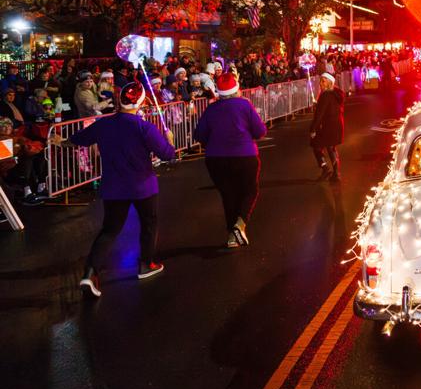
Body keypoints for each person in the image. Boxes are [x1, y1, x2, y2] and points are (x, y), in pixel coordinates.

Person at [56, 82, 177, 298]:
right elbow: (168, 154)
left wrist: (62, 141)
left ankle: (90, 273)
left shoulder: (104, 124)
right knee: (149, 224)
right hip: (143, 186)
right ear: (139, 104)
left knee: (109, 230)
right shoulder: (144, 127)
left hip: (114, 187)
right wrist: (170, 142)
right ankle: (146, 264)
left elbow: (78, 140)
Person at [193, 73, 267, 248]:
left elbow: (200, 134)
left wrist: (212, 142)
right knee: (250, 191)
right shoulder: (245, 105)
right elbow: (260, 131)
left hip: (216, 159)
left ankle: (232, 236)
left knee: (228, 195)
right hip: (244, 155)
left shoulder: (211, 109)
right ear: (236, 89)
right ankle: (239, 225)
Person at [311, 72, 346, 182]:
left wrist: (313, 129)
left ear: (330, 82)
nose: (320, 83)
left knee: (316, 145)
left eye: (323, 81)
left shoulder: (325, 95)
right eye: (320, 81)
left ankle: (325, 168)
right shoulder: (334, 93)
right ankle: (336, 173)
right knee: (331, 148)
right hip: (336, 124)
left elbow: (320, 114)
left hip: (328, 126)